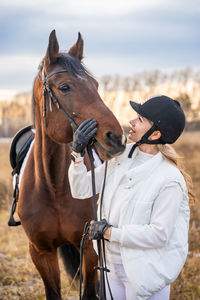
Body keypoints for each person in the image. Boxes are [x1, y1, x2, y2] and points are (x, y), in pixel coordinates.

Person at [68, 95, 195, 300]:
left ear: (155, 135)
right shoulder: (120, 158)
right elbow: (80, 189)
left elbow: (159, 234)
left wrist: (110, 233)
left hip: (145, 272)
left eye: (140, 119)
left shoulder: (169, 179)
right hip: (110, 265)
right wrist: (77, 153)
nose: (131, 122)